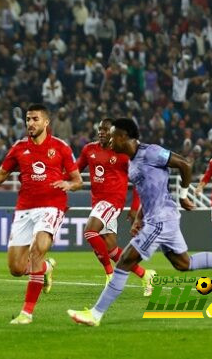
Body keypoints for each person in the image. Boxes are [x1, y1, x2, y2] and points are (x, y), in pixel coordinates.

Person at [67, 118, 212, 327]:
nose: (109, 140)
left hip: (160, 219)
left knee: (124, 262)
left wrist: (184, 194)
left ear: (123, 137)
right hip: (160, 217)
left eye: (113, 135)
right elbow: (148, 192)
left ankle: (95, 314)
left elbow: (184, 164)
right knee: (185, 264)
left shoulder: (151, 152)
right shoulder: (131, 162)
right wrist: (139, 218)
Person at [0, 104, 83, 325]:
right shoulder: (18, 148)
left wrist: (67, 184)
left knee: (37, 251)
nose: (30, 123)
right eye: (27, 119)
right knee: (16, 269)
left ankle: (27, 313)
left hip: (52, 206)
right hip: (25, 209)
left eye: (35, 119)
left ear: (46, 122)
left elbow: (78, 181)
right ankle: (46, 268)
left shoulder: (61, 147)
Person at [75, 118, 155, 295]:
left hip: (113, 202)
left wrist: (134, 207)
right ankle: (145, 275)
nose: (102, 132)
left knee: (89, 232)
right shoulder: (89, 149)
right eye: (100, 129)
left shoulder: (123, 154)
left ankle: (110, 275)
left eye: (106, 129)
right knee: (111, 250)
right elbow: (75, 170)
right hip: (97, 203)